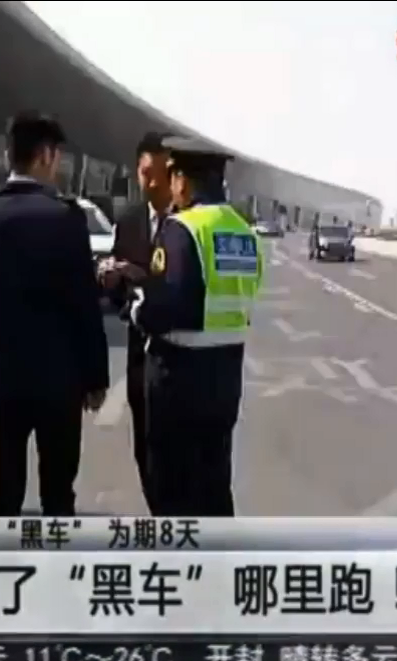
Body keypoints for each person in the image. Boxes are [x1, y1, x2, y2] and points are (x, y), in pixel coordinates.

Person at [0, 112, 109, 517]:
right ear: (45, 156)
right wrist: (96, 377)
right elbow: (83, 302)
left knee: (4, 493)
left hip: (3, 374)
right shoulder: (66, 218)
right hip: (60, 379)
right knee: (58, 494)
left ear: (8, 156)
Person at [129, 136, 264, 517]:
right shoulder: (244, 232)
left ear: (182, 180)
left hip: (178, 380)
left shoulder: (183, 228)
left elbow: (165, 307)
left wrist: (136, 307)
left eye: (172, 177)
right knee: (215, 485)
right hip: (225, 378)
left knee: (171, 490)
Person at [97, 132, 173, 512]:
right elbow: (118, 295)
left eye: (160, 175)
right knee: (144, 448)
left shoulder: (186, 223)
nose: (152, 183)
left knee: (174, 456)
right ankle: (158, 515)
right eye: (146, 174)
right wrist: (112, 279)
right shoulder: (128, 221)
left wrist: (142, 275)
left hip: (177, 360)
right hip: (138, 356)